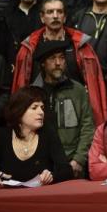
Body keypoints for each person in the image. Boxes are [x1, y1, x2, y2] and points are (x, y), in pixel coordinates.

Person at [11, 0, 107, 126]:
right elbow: (21, 89)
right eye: (50, 12)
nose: (55, 16)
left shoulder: (81, 46)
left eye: (59, 12)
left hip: (76, 114)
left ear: (65, 17)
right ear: (42, 17)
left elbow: (94, 91)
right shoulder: (29, 48)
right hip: (39, 114)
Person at [0, 86, 72, 187]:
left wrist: (52, 176)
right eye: (34, 108)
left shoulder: (48, 133)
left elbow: (67, 171)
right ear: (19, 111)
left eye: (42, 108)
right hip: (9, 195)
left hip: (40, 194)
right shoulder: (1, 136)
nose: (41, 112)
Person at [30, 40, 95, 179]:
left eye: (62, 57)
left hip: (72, 163)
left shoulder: (77, 90)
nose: (58, 63)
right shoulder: (32, 93)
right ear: (43, 63)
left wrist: (79, 159)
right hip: (41, 166)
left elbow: (88, 126)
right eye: (52, 58)